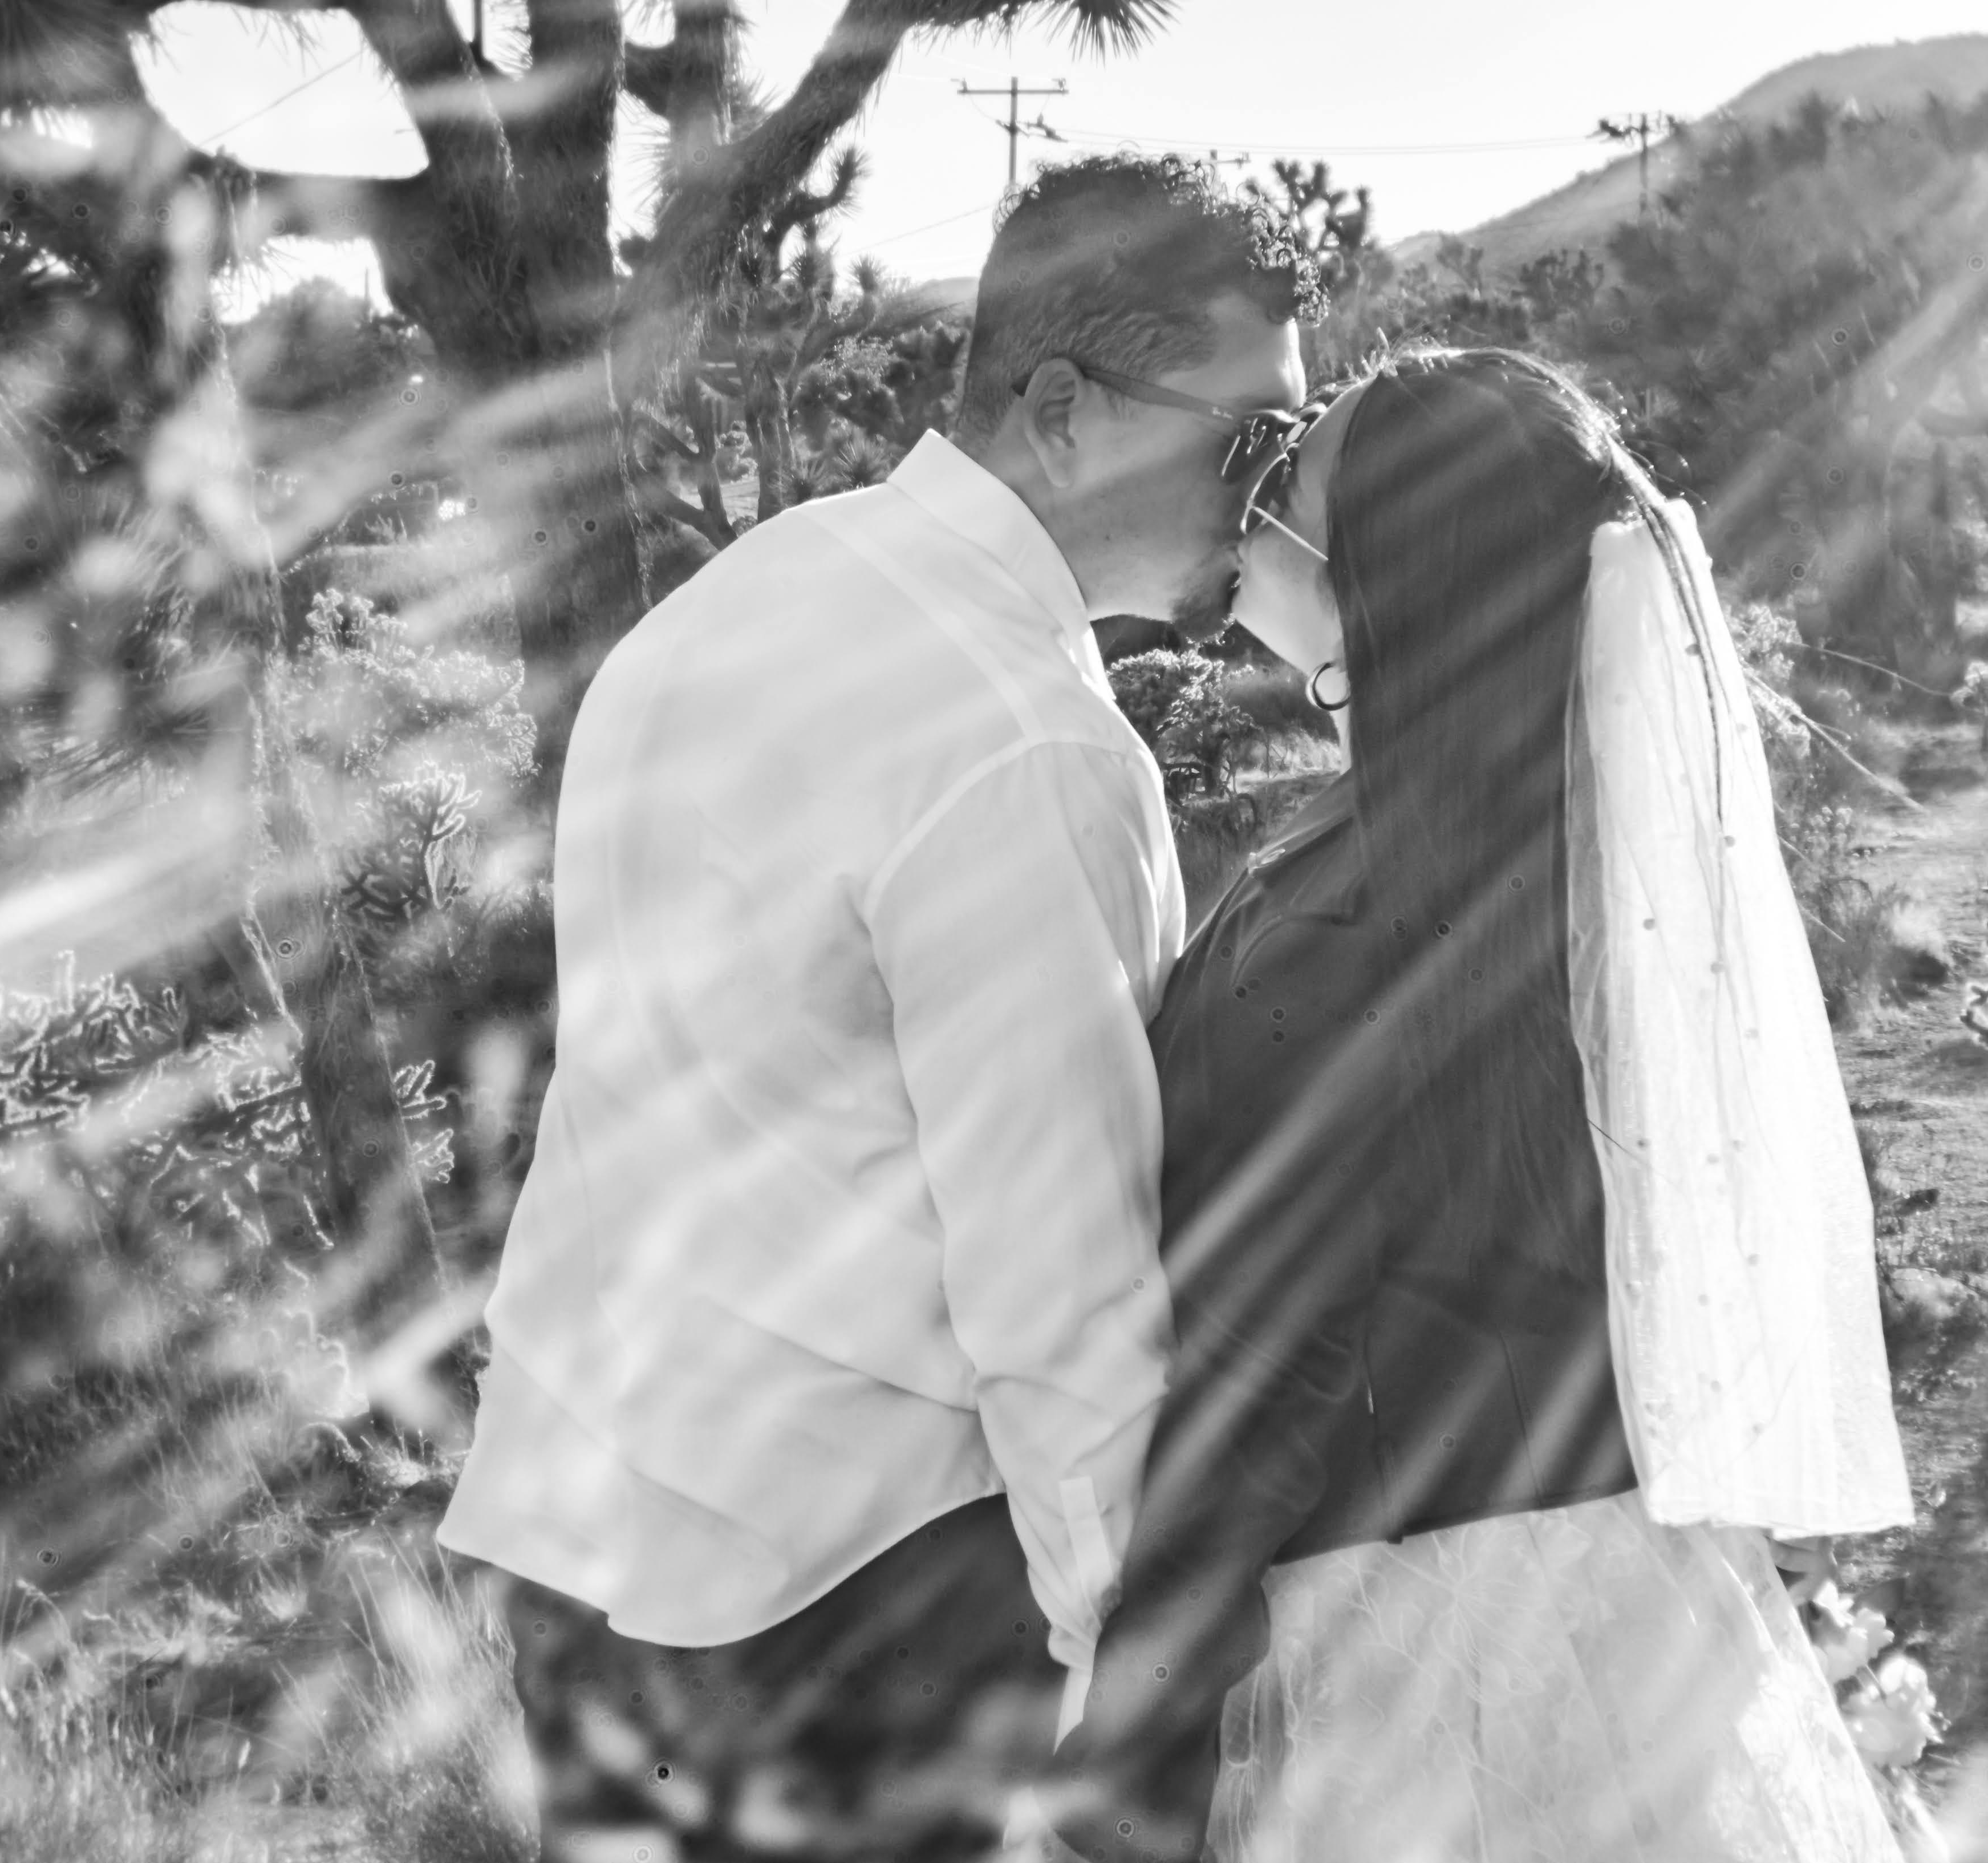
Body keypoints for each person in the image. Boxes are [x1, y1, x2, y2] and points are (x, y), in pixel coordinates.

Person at [433, 155, 1322, 1862]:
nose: (1271, 498)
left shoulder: (731, 604)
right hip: (857, 1608)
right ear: (1061, 411)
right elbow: (1058, 1280)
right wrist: (1131, 1679)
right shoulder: (1026, 741)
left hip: (588, 1543)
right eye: (1245, 443)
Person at [1048, 348, 1917, 1863]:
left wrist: (1124, 1776)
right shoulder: (1584, 874)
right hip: (1631, 1622)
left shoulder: (1338, 933)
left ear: (1389, 571)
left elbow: (1260, 1387)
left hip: (1408, 1672)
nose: (1251, 499)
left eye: (1288, 478)